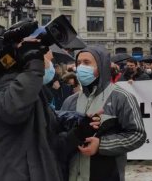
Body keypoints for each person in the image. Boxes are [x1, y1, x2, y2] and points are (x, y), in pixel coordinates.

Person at [62, 46, 147, 181]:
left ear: (101, 66)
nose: (81, 67)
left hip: (107, 175)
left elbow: (138, 134)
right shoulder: (70, 101)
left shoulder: (122, 97)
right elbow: (60, 138)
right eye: (78, 63)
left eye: (87, 63)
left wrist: (102, 145)